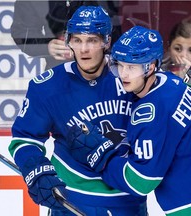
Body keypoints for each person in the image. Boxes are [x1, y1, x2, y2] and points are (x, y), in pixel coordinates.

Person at [68, 26, 191, 215]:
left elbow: (140, 181)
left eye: (132, 67)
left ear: (150, 67)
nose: (124, 74)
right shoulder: (171, 81)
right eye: (120, 65)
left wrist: (102, 157)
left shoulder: (149, 114)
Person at [9, 6, 147, 216]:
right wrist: (35, 169)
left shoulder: (131, 76)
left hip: (128, 201)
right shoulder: (48, 86)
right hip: (72, 201)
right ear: (68, 42)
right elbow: (25, 139)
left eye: (92, 40)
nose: (84, 49)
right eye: (77, 40)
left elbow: (169, 95)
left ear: (107, 42)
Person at [11, 0, 122, 70]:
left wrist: (103, 46)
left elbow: (127, 25)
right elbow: (21, 30)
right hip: (59, 72)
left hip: (105, 71)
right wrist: (46, 46)